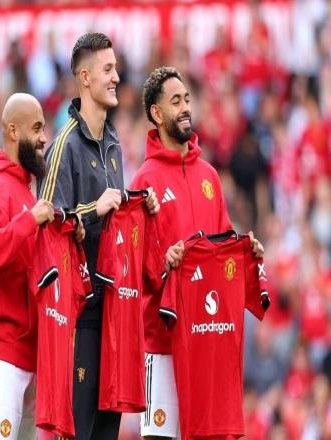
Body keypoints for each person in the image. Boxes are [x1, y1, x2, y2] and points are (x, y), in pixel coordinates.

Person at [130, 67, 264, 440]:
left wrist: (246, 253)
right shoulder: (144, 181)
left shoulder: (210, 177)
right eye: (176, 101)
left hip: (206, 341)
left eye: (187, 99)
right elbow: (133, 265)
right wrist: (164, 262)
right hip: (161, 343)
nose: (186, 107)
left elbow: (223, 251)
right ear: (157, 113)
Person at [38, 33, 159, 440]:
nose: (116, 77)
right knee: (78, 432)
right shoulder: (64, 146)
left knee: (107, 432)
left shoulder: (113, 144)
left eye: (116, 68)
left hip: (114, 312)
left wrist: (138, 206)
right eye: (107, 69)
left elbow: (114, 224)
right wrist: (95, 209)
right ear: (85, 77)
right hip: (80, 317)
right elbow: (47, 227)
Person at [0, 93, 82, 440]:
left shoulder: (26, 193)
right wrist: (30, 220)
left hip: (28, 355)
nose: (44, 138)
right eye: (37, 128)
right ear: (13, 131)